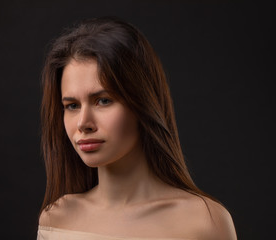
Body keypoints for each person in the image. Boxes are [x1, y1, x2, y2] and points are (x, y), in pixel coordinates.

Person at [37, 17, 237, 240]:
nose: (83, 123)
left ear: (142, 102)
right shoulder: (57, 217)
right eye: (72, 106)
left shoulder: (204, 222)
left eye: (103, 100)